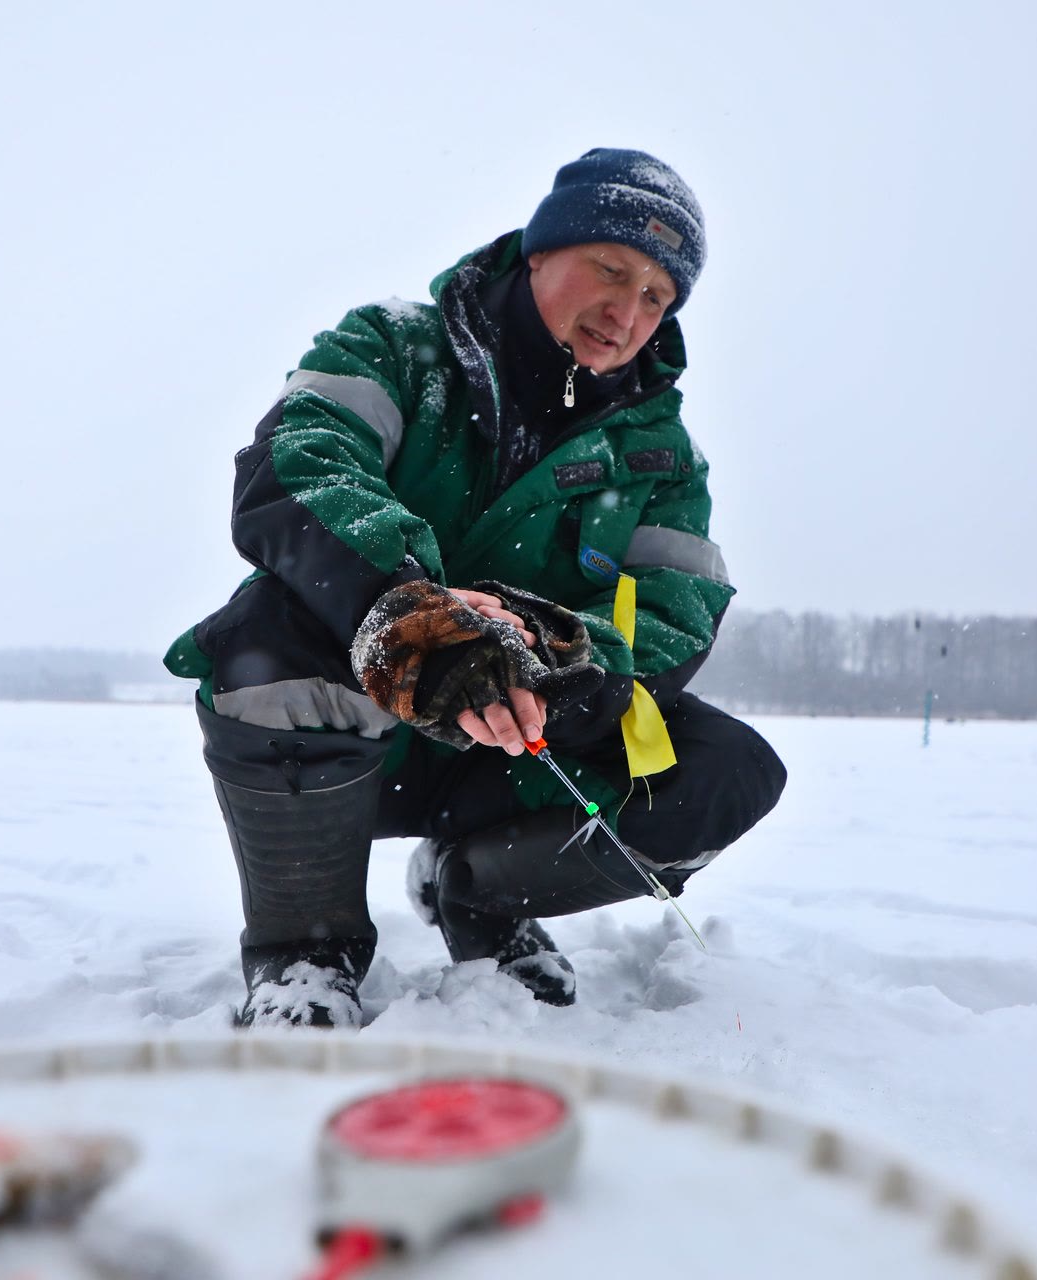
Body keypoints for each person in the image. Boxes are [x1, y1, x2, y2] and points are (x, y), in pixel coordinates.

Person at [165, 148, 787, 1028]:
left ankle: (478, 893)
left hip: (516, 748)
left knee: (725, 774)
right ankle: (309, 948)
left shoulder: (662, 453)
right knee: (262, 633)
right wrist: (415, 614)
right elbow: (299, 463)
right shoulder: (392, 346)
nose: (627, 310)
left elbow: (675, 610)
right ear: (539, 250)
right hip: (357, 735)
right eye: (611, 269)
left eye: (658, 295)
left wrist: (554, 651)